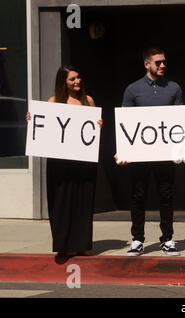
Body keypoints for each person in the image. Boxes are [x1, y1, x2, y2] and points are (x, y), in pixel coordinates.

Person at [27, 65, 102, 259]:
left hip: (83, 162)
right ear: (63, 83)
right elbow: (45, 127)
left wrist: (99, 125)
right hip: (60, 163)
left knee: (82, 201)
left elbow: (93, 131)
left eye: (78, 77)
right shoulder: (54, 101)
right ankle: (62, 244)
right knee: (60, 201)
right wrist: (33, 119)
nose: (77, 81)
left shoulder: (88, 101)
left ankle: (81, 244)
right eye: (72, 79)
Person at [115, 47, 183, 257]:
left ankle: (168, 239)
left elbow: (178, 120)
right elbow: (125, 124)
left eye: (164, 62)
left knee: (166, 195)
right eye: (158, 62)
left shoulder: (174, 88)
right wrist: (122, 150)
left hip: (164, 152)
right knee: (138, 195)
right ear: (147, 64)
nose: (163, 65)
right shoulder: (133, 89)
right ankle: (137, 240)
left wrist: (182, 145)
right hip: (140, 154)